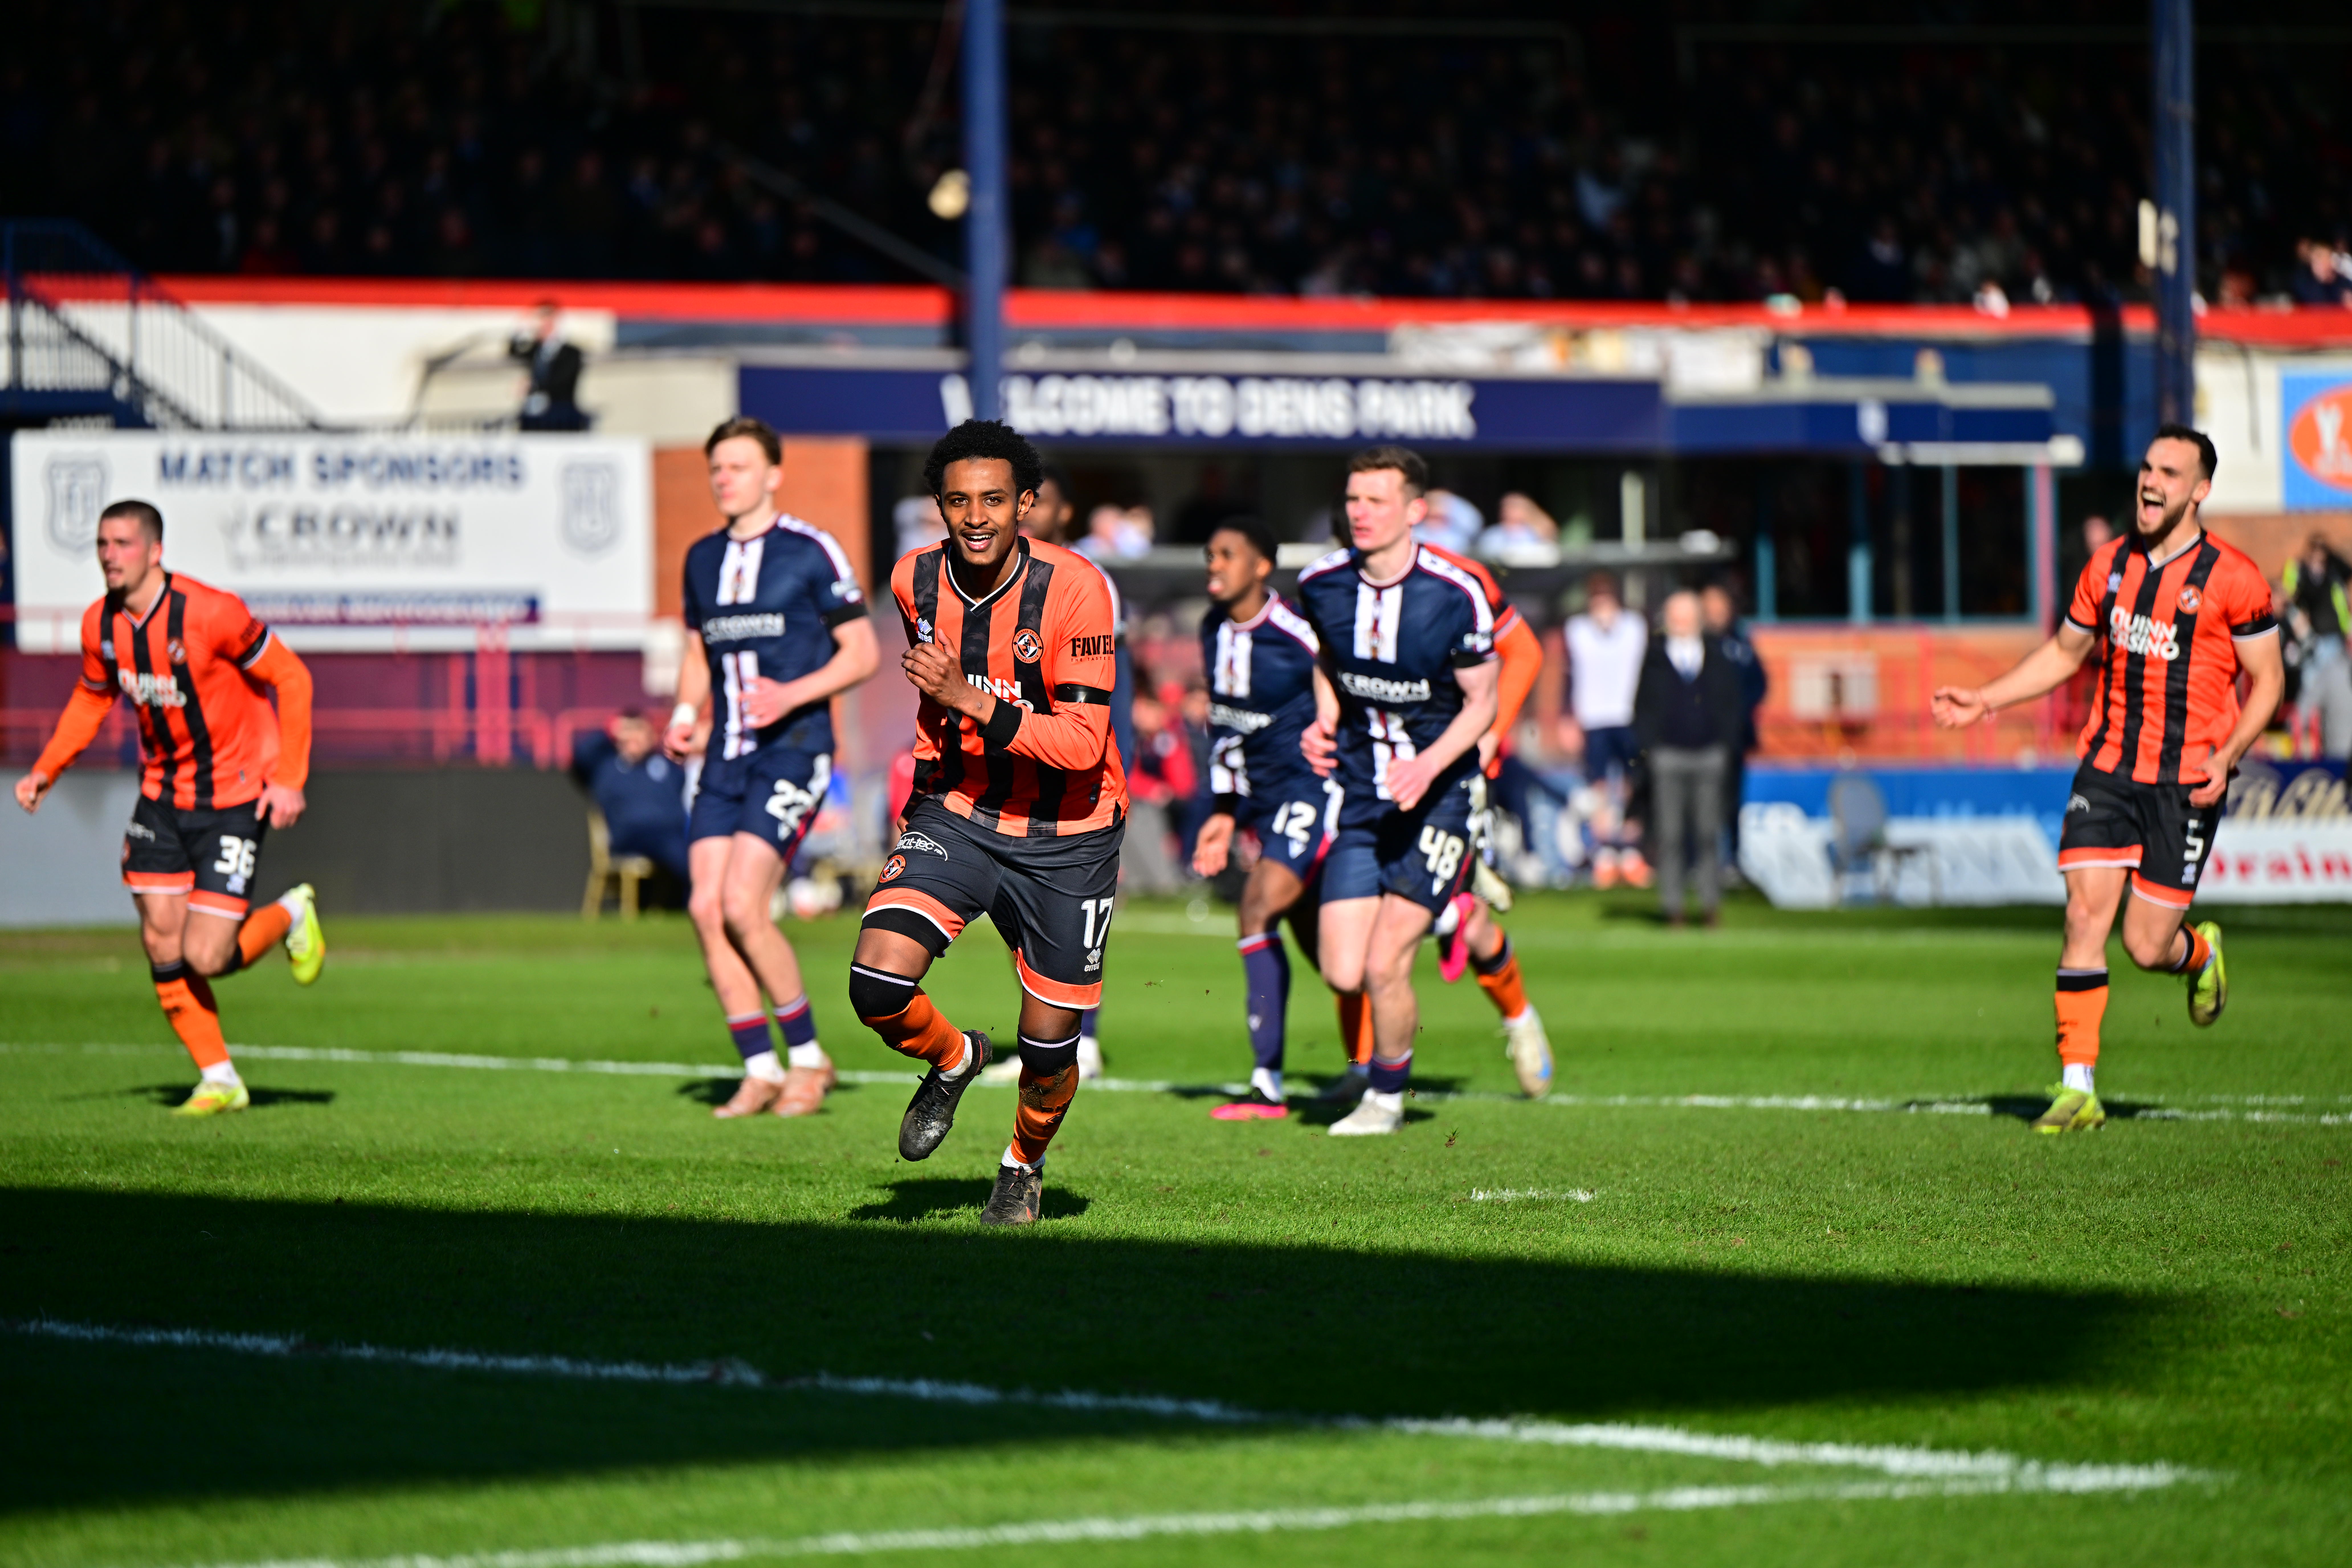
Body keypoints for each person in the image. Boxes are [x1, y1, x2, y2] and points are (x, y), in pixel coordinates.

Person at [1931, 425, 2284, 1134]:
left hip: (2186, 782)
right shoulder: (2107, 566)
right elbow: (2065, 653)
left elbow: (2268, 681)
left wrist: (2228, 752)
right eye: (2147, 469)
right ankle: (2077, 1087)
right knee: (2082, 917)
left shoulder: (2234, 579)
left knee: (2146, 946)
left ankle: (2201, 952)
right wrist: (1987, 699)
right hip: (2106, 769)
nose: (2150, 484)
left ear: (2200, 491)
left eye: (2169, 474)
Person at [848, 418, 1126, 1224]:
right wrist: (923, 794)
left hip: (1068, 835)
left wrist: (969, 696)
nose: (976, 517)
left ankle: (1022, 1164)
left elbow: (1083, 745)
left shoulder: (1077, 588)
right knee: (876, 981)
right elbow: (934, 699)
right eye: (959, 501)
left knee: (1048, 1046)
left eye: (995, 500)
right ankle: (957, 1056)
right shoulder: (913, 581)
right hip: (961, 811)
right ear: (938, 505)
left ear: (1028, 505)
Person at [12, 499, 326, 1116]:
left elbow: (293, 678)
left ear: (155, 551)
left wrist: (289, 777)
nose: (110, 555)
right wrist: (48, 768)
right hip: (161, 797)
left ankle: (291, 913)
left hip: (235, 797)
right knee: (162, 939)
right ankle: (220, 1078)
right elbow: (90, 696)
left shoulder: (212, 613)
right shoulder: (100, 625)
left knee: (209, 954)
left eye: (123, 543)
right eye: (103, 544)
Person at [665, 418, 880, 1120]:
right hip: (723, 755)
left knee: (740, 904)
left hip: (793, 751)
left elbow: (862, 653)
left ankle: (810, 1060)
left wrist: (790, 693)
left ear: (772, 475)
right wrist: (685, 712)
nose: (724, 478)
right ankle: (760, 1067)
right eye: (716, 468)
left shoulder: (810, 551)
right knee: (703, 908)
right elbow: (699, 651)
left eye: (738, 466)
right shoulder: (700, 558)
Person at [1293, 446, 1500, 1137]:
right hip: (1362, 796)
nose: (1360, 512)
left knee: (1386, 965)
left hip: (1439, 795)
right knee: (1343, 968)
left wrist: (1428, 764)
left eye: (1376, 501)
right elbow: (1327, 657)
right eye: (1353, 499)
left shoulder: (1456, 593)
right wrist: (1324, 718)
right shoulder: (1320, 583)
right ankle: (1449, 906)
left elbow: (1481, 703)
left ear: (1415, 511)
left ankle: (1385, 1097)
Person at [1189, 515, 1339, 1118]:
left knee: (1256, 903)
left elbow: (1351, 685)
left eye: (1227, 555)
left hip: (1316, 789)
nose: (1214, 566)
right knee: (1336, 960)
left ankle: (1267, 1087)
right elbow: (1226, 728)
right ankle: (1446, 915)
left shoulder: (1297, 628)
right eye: (1209, 554)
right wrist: (1224, 814)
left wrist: (1342, 744)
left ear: (1260, 566)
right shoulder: (1210, 629)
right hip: (1263, 804)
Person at [1418, 540, 1554, 1099]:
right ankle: (1366, 1069)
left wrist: (1492, 729)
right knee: (1354, 913)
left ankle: (1521, 1020)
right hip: (1375, 774)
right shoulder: (1335, 585)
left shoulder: (1458, 576)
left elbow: (1524, 651)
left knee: (1463, 926)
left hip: (1454, 775)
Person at [1016, 465, 1133, 1080]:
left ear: (1065, 515)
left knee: (1079, 914)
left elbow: (1115, 693)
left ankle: (1084, 1039)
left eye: (1043, 505)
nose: (1030, 515)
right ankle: (1048, 1034)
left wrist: (1124, 766)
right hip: (1021, 775)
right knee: (1026, 912)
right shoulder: (1001, 583)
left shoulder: (1089, 583)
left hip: (1083, 778)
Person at [1634, 590, 1748, 928]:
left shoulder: (1717, 656)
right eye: (1674, 615)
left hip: (1709, 754)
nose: (1679, 622)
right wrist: (1650, 749)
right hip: (1668, 755)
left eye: (1685, 615)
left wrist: (1726, 745)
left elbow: (1732, 704)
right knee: (1669, 834)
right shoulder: (1654, 657)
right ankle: (1674, 908)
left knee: (1708, 833)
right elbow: (1642, 707)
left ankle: (1711, 906)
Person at [1563, 571, 1651, 888]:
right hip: (1593, 718)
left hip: (1628, 716)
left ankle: (1629, 850)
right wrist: (1567, 717)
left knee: (1630, 784)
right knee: (1598, 788)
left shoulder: (1635, 627)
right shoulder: (1577, 631)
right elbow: (1568, 676)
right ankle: (1605, 855)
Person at [571, 709, 690, 883]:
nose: (634, 737)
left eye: (639, 730)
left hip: (670, 836)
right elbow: (581, 754)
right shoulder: (606, 767)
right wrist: (609, 730)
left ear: (651, 736)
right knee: (680, 853)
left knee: (697, 848)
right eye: (628, 731)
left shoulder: (665, 766)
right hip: (630, 836)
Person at [1701, 580, 1767, 863]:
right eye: (1709, 606)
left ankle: (1734, 860)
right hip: (1700, 739)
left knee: (1731, 802)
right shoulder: (1694, 646)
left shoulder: (1740, 644)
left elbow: (1759, 683)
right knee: (1701, 802)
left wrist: (1738, 711)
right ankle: (1702, 861)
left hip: (1734, 738)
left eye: (1720, 606)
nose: (1715, 612)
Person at [510, 300, 588, 431]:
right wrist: (520, 330)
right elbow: (514, 352)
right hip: (535, 417)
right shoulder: (536, 349)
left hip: (561, 417)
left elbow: (563, 381)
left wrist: (532, 386)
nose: (540, 325)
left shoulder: (571, 353)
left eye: (545, 320)